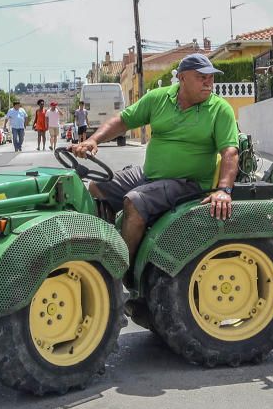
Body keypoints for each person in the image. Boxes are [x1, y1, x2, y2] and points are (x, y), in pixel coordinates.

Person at [71, 53, 239, 269]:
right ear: (182, 78)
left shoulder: (219, 109)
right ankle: (107, 246)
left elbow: (230, 152)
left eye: (211, 78)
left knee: (135, 201)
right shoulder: (158, 99)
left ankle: (121, 272)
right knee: (97, 187)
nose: (208, 82)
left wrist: (224, 190)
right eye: (201, 77)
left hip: (188, 183)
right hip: (149, 175)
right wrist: (93, 140)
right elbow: (123, 120)